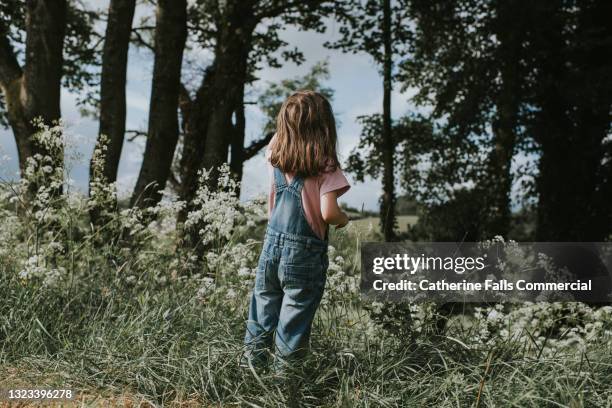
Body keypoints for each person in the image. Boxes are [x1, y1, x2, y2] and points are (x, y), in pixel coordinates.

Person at [243, 90, 351, 373]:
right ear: (323, 127)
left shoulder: (275, 153)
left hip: (270, 246)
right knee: (293, 323)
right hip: (304, 254)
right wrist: (343, 219)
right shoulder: (326, 164)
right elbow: (328, 212)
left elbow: (280, 139)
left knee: (262, 313)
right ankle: (283, 386)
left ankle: (251, 375)